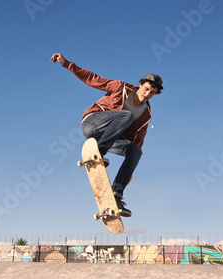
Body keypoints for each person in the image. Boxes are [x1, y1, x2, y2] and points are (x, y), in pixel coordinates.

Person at [50, 53, 163, 217]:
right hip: (92, 124)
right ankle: (99, 152)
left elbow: (137, 142)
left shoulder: (146, 115)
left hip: (109, 137)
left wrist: (128, 173)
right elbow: (93, 78)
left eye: (152, 93)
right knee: (127, 115)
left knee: (136, 152)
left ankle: (116, 196)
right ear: (140, 84)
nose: (147, 94)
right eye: (146, 89)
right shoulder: (120, 87)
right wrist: (66, 63)